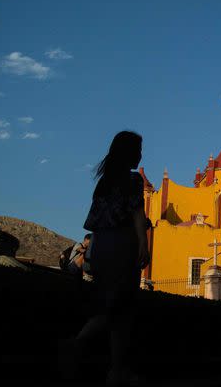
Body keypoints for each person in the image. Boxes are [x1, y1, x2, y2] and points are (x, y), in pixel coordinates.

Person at [59, 131, 150, 386]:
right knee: (120, 307)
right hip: (122, 244)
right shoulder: (133, 181)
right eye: (138, 149)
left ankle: (116, 369)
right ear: (130, 152)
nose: (141, 154)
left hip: (100, 245)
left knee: (115, 307)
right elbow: (136, 214)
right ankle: (78, 346)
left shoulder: (104, 183)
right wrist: (143, 243)